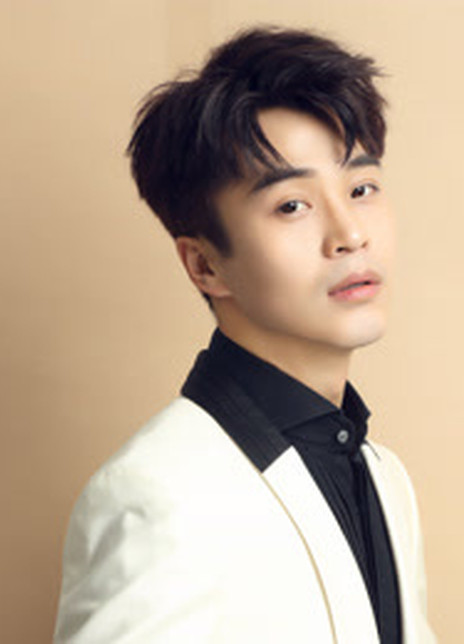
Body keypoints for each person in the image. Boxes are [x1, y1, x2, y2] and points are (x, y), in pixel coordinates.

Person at [54, 27, 436, 643]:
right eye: (291, 205)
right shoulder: (157, 494)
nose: (349, 234)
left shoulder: (383, 475)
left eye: (361, 189)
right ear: (205, 265)